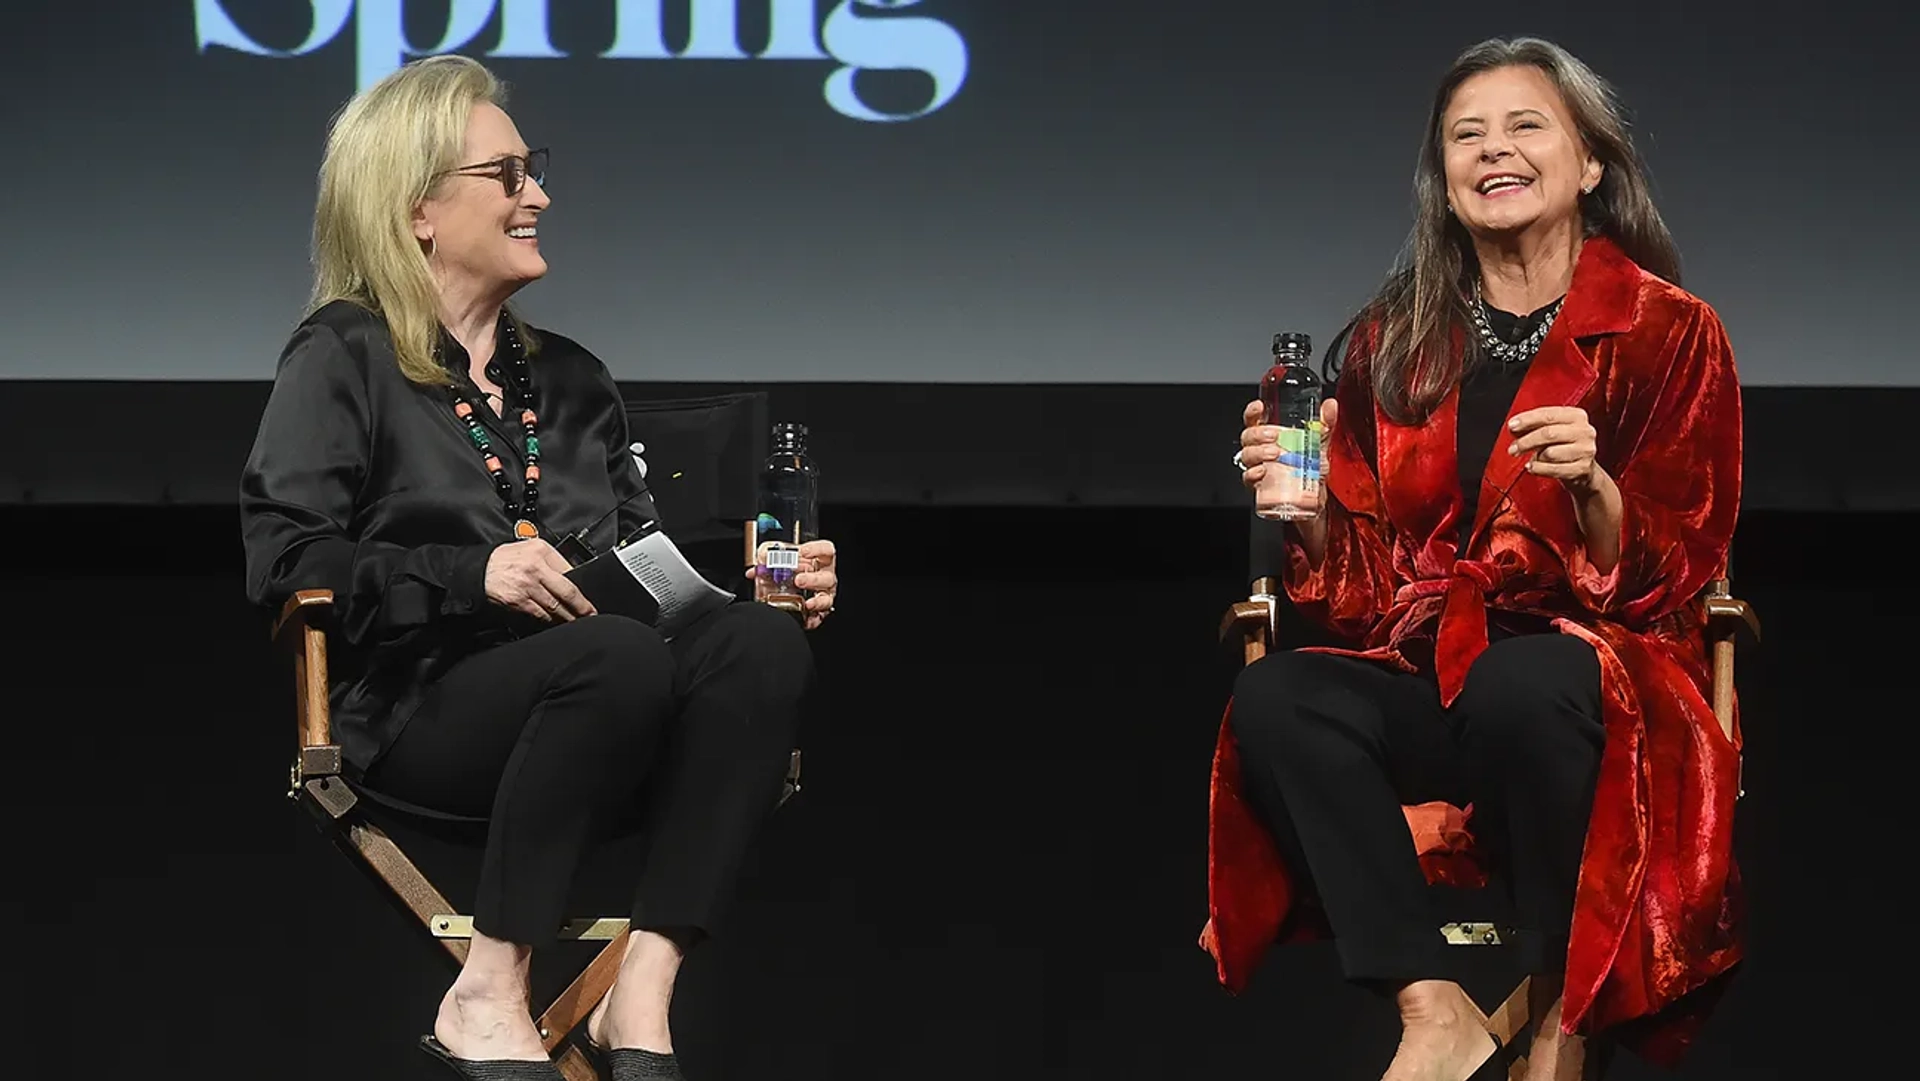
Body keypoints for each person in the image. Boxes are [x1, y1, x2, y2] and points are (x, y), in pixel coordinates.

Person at [240, 55, 839, 1081]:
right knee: (610, 656)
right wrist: (478, 575)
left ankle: (642, 984)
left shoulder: (571, 380)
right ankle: (489, 987)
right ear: (417, 207)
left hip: (611, 698)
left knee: (757, 640)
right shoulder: (343, 355)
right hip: (424, 712)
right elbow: (286, 559)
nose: (539, 197)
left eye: (533, 172)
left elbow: (642, 567)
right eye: (507, 176)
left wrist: (763, 588)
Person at [1205, 37, 1742, 1081]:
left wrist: (1595, 491)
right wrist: (1307, 516)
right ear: (1442, 181)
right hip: (1434, 669)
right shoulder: (1389, 340)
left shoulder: (1670, 332)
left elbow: (1683, 563)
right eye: (1468, 135)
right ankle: (1432, 1003)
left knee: (1522, 680)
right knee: (1280, 701)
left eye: (1525, 125)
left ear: (1591, 163)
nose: (1495, 150)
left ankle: (1556, 1020)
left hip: (1595, 677)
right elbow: (1360, 598)